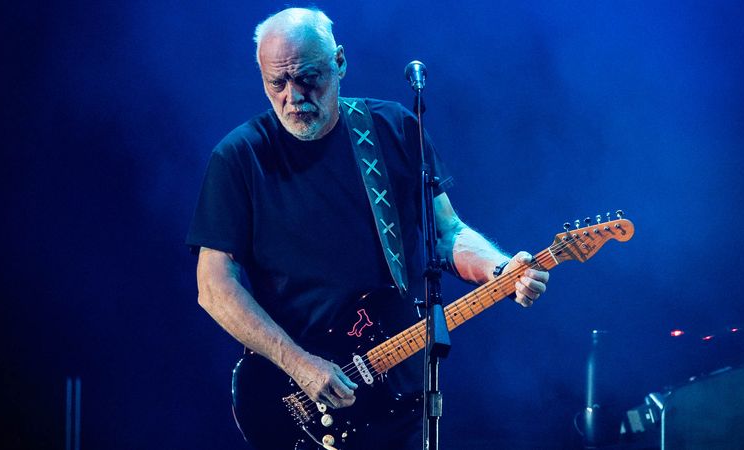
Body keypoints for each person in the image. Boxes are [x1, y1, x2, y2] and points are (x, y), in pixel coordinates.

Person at [186, 7, 550, 449]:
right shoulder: (240, 157)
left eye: (307, 78)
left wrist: (500, 270)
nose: (293, 97)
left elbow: (445, 232)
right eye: (276, 83)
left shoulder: (393, 129)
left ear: (339, 63)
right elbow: (214, 286)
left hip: (399, 387)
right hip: (300, 397)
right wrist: (299, 364)